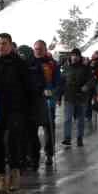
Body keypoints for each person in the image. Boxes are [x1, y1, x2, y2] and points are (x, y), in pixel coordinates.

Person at [0, 32, 33, 194]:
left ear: (10, 44)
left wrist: (27, 111)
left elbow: (29, 88)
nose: (0, 46)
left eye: (4, 43)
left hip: (15, 110)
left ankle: (15, 173)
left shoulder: (20, 64)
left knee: (12, 143)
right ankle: (0, 178)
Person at [28, 39, 64, 170]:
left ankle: (49, 154)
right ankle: (34, 156)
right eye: (36, 49)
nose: (38, 51)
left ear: (45, 49)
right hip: (32, 102)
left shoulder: (52, 64)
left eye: (40, 49)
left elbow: (59, 81)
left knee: (49, 129)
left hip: (48, 101)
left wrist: (54, 93)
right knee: (32, 131)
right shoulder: (28, 63)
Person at [61, 48, 96, 148]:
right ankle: (67, 138)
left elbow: (92, 80)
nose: (74, 57)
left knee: (80, 119)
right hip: (69, 97)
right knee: (67, 119)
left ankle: (79, 137)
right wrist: (59, 96)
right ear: (70, 56)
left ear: (79, 56)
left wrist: (87, 86)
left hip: (81, 97)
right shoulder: (66, 67)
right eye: (73, 55)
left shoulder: (85, 67)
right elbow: (62, 81)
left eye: (76, 55)